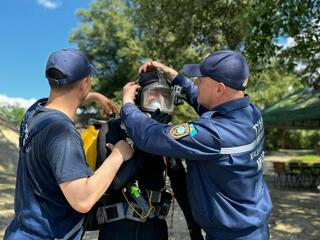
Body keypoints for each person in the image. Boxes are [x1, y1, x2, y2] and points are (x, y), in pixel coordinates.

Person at [120, 50, 272, 240]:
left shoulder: (214, 134)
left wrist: (127, 105)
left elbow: (150, 136)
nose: (196, 81)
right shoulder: (249, 113)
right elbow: (199, 97)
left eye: (201, 78)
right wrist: (173, 75)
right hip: (251, 229)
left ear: (220, 89)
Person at [4, 48, 133, 240]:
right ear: (85, 82)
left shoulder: (33, 114)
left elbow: (65, 97)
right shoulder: (62, 134)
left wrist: (95, 97)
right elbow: (83, 200)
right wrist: (118, 155)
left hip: (20, 232)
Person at [87, 69, 203, 240]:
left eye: (165, 98)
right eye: (154, 96)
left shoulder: (167, 133)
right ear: (138, 97)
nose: (160, 104)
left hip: (155, 228)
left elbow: (180, 184)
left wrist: (194, 229)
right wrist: (149, 139)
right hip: (117, 229)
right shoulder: (112, 128)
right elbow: (114, 183)